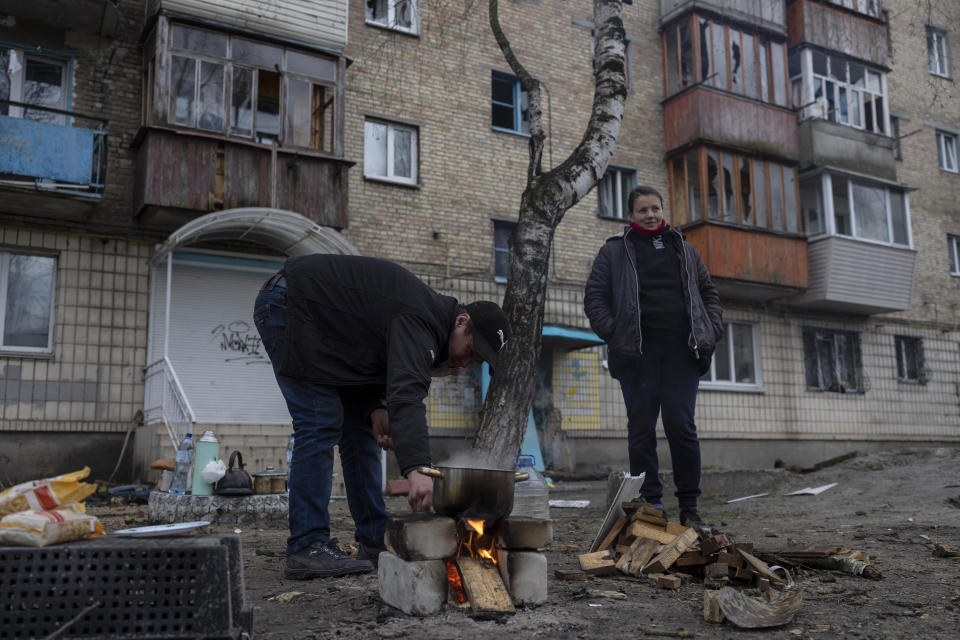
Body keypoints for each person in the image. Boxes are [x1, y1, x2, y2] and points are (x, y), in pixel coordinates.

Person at [254, 254, 510, 579]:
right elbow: (407, 393)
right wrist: (418, 470)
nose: (466, 362)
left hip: (329, 330)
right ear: (461, 322)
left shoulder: (424, 319)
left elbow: (368, 354)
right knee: (320, 420)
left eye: (477, 360)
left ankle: (375, 540)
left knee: (360, 431)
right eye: (472, 350)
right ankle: (307, 546)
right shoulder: (421, 319)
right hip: (292, 305)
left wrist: (375, 408)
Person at [584, 186, 722, 528]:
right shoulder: (615, 251)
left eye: (655, 208)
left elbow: (709, 293)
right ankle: (652, 506)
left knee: (682, 427)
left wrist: (711, 329)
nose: (650, 215)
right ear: (631, 216)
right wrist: (615, 334)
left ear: (663, 210)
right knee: (641, 431)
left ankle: (690, 509)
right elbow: (594, 297)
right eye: (643, 210)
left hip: (681, 355)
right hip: (637, 357)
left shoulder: (685, 250)